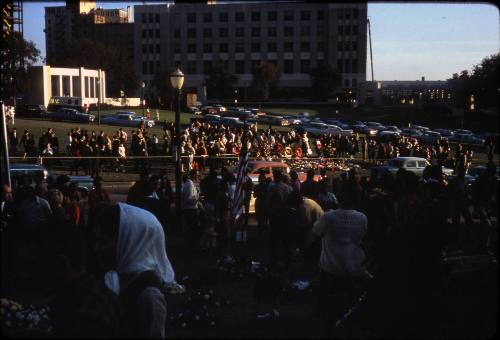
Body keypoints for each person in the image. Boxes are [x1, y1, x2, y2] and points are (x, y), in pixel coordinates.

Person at [94, 203, 175, 338]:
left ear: (128, 243)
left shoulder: (148, 296)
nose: (97, 249)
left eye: (104, 242)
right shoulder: (117, 276)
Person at [41, 224, 121, 337]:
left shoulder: (73, 311)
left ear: (62, 262)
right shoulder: (104, 292)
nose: (39, 268)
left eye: (44, 262)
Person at [266, 169, 293, 270]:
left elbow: (268, 203)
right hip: (286, 217)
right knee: (286, 241)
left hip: (276, 217)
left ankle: (274, 262)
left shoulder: (273, 188)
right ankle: (287, 262)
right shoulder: (288, 188)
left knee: (274, 241)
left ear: (275, 176)